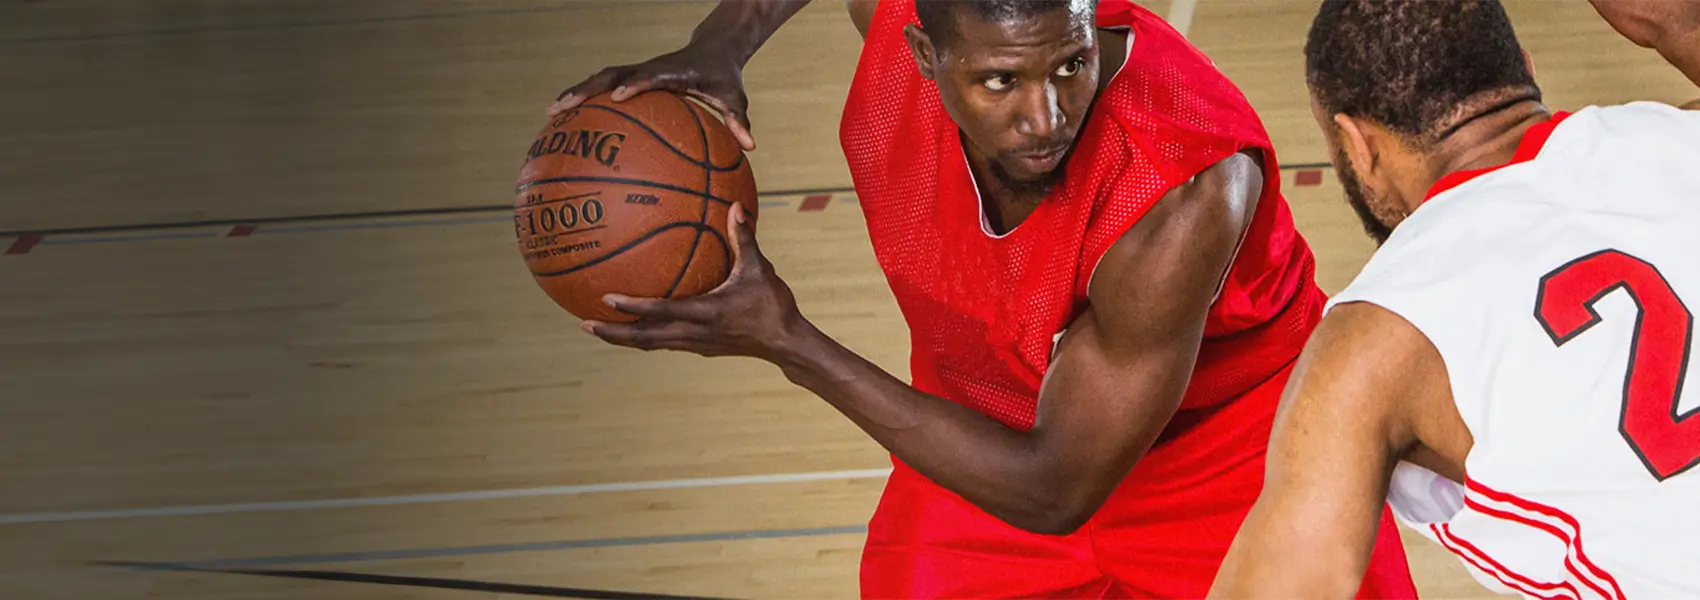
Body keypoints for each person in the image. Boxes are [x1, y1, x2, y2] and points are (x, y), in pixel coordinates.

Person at [552, 1, 1417, 597]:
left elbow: (1053, 491)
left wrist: (788, 339)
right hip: (993, 417)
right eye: (1001, 82)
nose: (1047, 117)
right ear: (924, 55)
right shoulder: (901, 27)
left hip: (1229, 453)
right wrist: (720, 46)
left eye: (1072, 64)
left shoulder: (1180, 185)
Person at [1208, 1, 1700, 598]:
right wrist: (1678, 27)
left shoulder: (1375, 339)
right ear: (1525, 67)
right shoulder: (1678, 133)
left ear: (1356, 144)